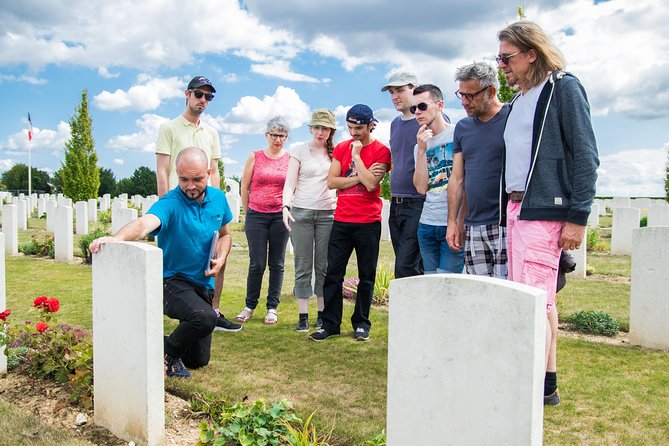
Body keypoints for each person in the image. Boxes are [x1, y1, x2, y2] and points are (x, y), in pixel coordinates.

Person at [497, 20, 599, 406]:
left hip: (545, 209)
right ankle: (546, 384)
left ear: (531, 53)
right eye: (499, 58)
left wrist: (578, 216)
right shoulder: (520, 99)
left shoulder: (563, 88)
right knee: (541, 301)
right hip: (517, 207)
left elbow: (585, 156)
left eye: (507, 58)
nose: (501, 65)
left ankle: (526, 389)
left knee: (532, 302)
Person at [89, 147, 233, 379]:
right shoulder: (170, 203)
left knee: (199, 360)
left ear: (208, 172)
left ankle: (150, 343)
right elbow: (144, 224)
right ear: (177, 173)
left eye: (197, 179)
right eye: (184, 179)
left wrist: (222, 256)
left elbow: (225, 234)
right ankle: (170, 355)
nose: (190, 186)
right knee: (206, 318)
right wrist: (116, 239)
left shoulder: (218, 199)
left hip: (203, 284)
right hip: (172, 282)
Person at [155, 75, 241, 333]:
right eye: (199, 94)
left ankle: (213, 311)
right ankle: (187, 309)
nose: (203, 100)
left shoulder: (211, 133)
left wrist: (216, 203)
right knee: (179, 263)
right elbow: (162, 170)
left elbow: (214, 170)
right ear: (187, 94)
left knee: (217, 256)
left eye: (209, 96)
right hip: (179, 205)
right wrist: (164, 209)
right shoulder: (169, 129)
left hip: (206, 205)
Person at [309, 104, 391, 342]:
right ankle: (330, 324)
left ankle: (362, 323)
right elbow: (332, 182)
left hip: (368, 222)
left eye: (359, 128)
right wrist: (359, 176)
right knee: (333, 274)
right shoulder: (341, 148)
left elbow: (372, 185)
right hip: (342, 221)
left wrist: (356, 157)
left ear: (371, 125)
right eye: (350, 127)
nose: (354, 132)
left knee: (367, 275)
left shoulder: (381, 151)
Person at [446, 62, 509, 279]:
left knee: (509, 296)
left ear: (491, 92)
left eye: (470, 96)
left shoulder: (513, 117)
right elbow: (457, 178)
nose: (464, 102)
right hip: (474, 225)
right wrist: (454, 222)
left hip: (506, 224)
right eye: (460, 95)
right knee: (479, 297)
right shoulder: (463, 128)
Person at [282, 110, 337, 332]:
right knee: (303, 265)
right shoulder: (298, 151)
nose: (320, 132)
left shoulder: (336, 152)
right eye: (316, 127)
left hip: (327, 214)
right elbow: (289, 184)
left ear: (331, 130)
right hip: (301, 213)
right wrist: (285, 206)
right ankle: (303, 315)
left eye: (324, 128)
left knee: (323, 266)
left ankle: (322, 314)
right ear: (311, 128)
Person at [236, 117, 291, 325]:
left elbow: (292, 186)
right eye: (274, 135)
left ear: (286, 137)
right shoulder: (255, 156)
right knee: (257, 263)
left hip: (280, 215)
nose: (278, 139)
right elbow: (245, 186)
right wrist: (247, 211)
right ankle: (250, 305)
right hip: (256, 215)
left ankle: (272, 307)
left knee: (277, 263)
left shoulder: (290, 158)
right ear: (267, 135)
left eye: (282, 136)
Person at [411, 84, 464, 274]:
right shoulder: (419, 145)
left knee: (448, 285)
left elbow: (464, 180)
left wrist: (459, 221)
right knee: (431, 285)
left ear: (440, 105)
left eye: (422, 106)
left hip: (453, 223)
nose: (417, 112)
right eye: (413, 108)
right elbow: (421, 188)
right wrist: (422, 150)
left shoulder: (458, 133)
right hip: (427, 224)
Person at [381, 72, 424, 278]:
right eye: (391, 92)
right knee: (407, 265)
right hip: (396, 203)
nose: (395, 96)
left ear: (414, 88)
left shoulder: (426, 118)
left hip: (418, 202)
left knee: (405, 268)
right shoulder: (394, 124)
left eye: (400, 90)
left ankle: (406, 310)